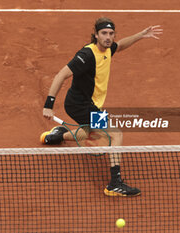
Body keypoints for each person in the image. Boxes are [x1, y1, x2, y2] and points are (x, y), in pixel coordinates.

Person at [41, 17, 162, 197]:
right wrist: (48, 105)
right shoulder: (86, 55)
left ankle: (57, 136)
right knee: (115, 133)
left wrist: (141, 35)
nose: (108, 37)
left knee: (91, 131)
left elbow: (120, 46)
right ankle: (115, 183)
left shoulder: (108, 49)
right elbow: (61, 75)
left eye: (111, 33)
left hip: (92, 105)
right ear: (96, 35)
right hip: (79, 105)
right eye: (104, 33)